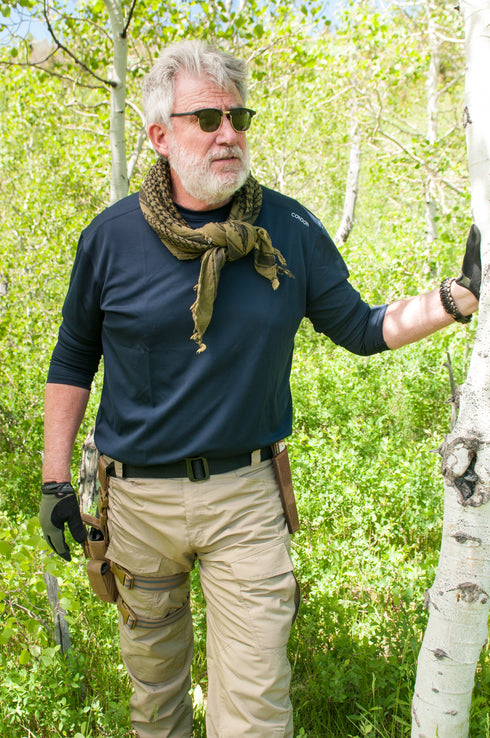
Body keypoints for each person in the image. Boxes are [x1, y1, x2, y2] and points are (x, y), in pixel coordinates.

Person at [39, 40, 481, 738]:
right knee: (154, 707)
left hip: (245, 500)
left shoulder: (290, 227)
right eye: (206, 119)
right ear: (159, 136)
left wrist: (453, 300)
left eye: (238, 118)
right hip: (138, 507)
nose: (228, 134)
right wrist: (55, 482)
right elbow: (72, 361)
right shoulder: (110, 238)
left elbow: (363, 327)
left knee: (255, 713)